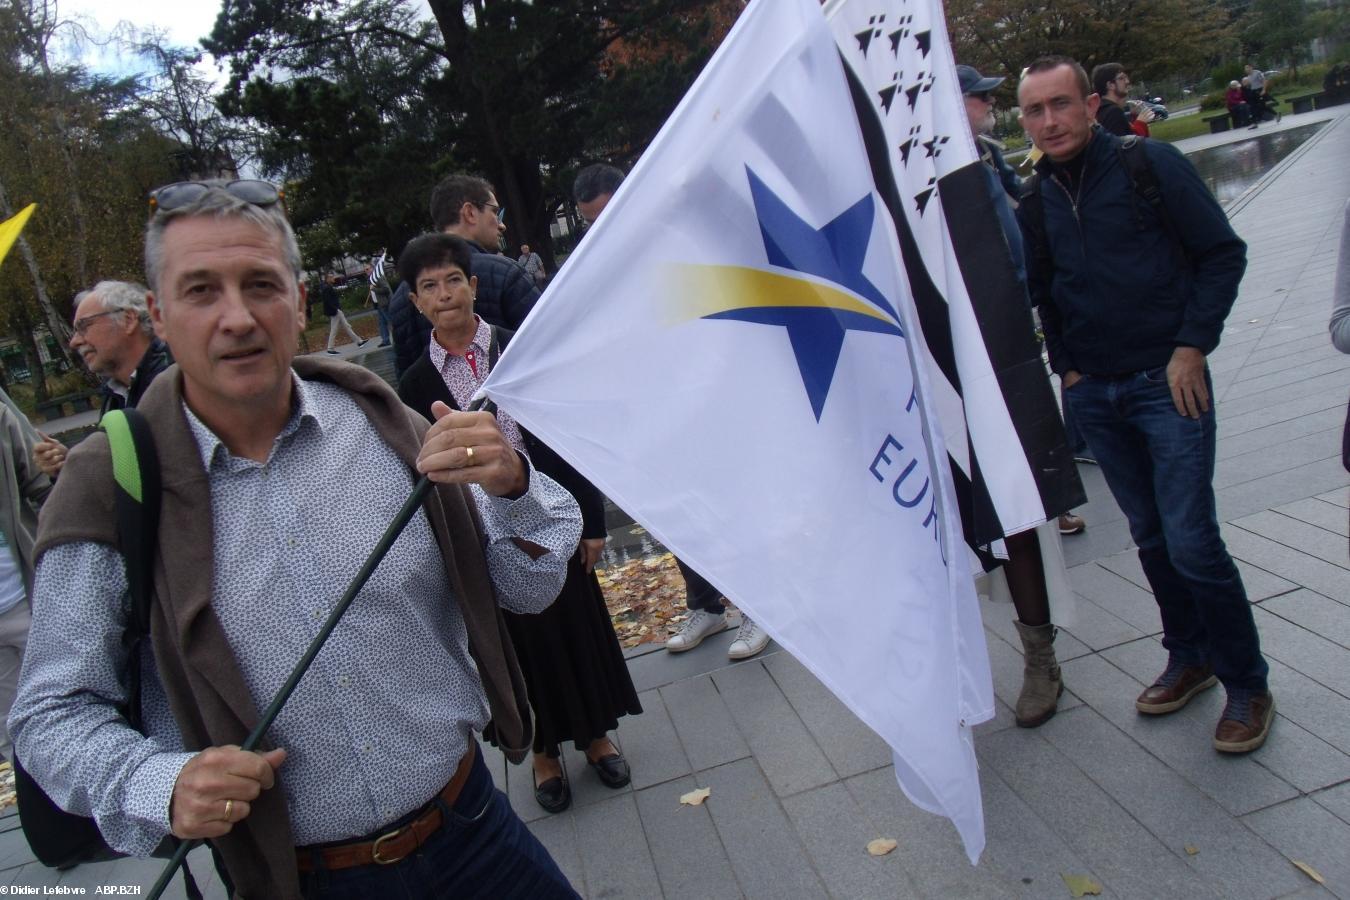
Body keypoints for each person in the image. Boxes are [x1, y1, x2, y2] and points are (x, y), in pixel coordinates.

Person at [9, 180, 583, 899]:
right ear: (158, 316)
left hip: (474, 833)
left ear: (300, 301)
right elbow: (50, 713)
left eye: (261, 285)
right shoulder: (109, 484)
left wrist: (515, 487)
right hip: (301, 881)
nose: (237, 317)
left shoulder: (385, 425)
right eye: (200, 291)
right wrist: (160, 782)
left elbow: (528, 589)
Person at [1017, 56, 1274, 753]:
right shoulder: (1035, 200)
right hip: (1097, 394)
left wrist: (1192, 346)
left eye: (1061, 104)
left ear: (1090, 104)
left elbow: (1222, 254)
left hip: (1168, 383)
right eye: (1035, 110)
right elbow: (1044, 290)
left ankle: (1247, 684)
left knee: (1192, 540)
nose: (1050, 121)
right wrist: (1068, 368)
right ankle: (1188, 656)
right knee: (1152, 537)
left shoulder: (1148, 165)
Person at [397, 232, 640, 815]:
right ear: (416, 303)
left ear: (474, 285)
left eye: (453, 280)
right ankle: (544, 754)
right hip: (482, 538)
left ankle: (597, 737)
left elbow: (569, 435)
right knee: (518, 649)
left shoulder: (518, 352)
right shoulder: (414, 386)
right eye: (429, 286)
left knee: (577, 627)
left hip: (552, 513)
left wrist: (591, 520)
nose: (444, 294)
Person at [573, 163, 770, 661]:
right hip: (651, 411)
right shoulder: (594, 270)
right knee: (678, 512)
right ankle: (705, 605)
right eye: (588, 222)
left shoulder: (679, 242)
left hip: (707, 402)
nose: (599, 229)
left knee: (731, 504)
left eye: (605, 215)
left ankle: (760, 606)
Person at [960, 63, 1080, 726]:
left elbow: (1019, 263)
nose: (986, 106)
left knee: (1015, 512)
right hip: (918, 370)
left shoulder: (975, 166)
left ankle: (1040, 657)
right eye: (978, 97)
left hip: (988, 360)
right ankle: (943, 670)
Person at [388, 175, 541, 379]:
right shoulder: (506, 273)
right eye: (494, 212)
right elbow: (545, 347)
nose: (502, 225)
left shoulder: (401, 296)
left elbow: (406, 382)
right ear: (470, 213)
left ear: (472, 286)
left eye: (454, 280)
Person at [32, 280, 173, 479]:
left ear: (128, 319)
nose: (74, 341)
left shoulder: (180, 381)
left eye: (84, 326)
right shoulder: (114, 396)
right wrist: (70, 465)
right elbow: (129, 477)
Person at [0, 388, 51, 761]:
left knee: (59, 708)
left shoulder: (2, 418)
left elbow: (45, 486)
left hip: (24, 597)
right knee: (10, 735)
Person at [320, 273, 367, 354]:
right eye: (331, 277)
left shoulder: (328, 287)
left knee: (347, 326)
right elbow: (327, 301)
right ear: (328, 279)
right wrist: (335, 308)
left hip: (335, 310)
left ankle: (359, 341)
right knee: (334, 329)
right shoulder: (327, 288)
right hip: (335, 311)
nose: (333, 278)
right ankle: (330, 348)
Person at [1090, 63, 1134, 137]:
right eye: (1121, 78)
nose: (1127, 81)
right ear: (1110, 85)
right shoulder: (1114, 112)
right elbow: (1121, 142)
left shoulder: (1099, 110)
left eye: (1126, 78)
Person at [365, 257, 393, 347]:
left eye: (367, 269)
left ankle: (399, 337)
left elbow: (386, 289)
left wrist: (374, 289)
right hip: (378, 304)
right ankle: (385, 340)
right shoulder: (370, 279)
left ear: (373, 268)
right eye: (365, 270)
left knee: (390, 321)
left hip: (385, 303)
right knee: (382, 323)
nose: (366, 271)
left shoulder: (378, 277)